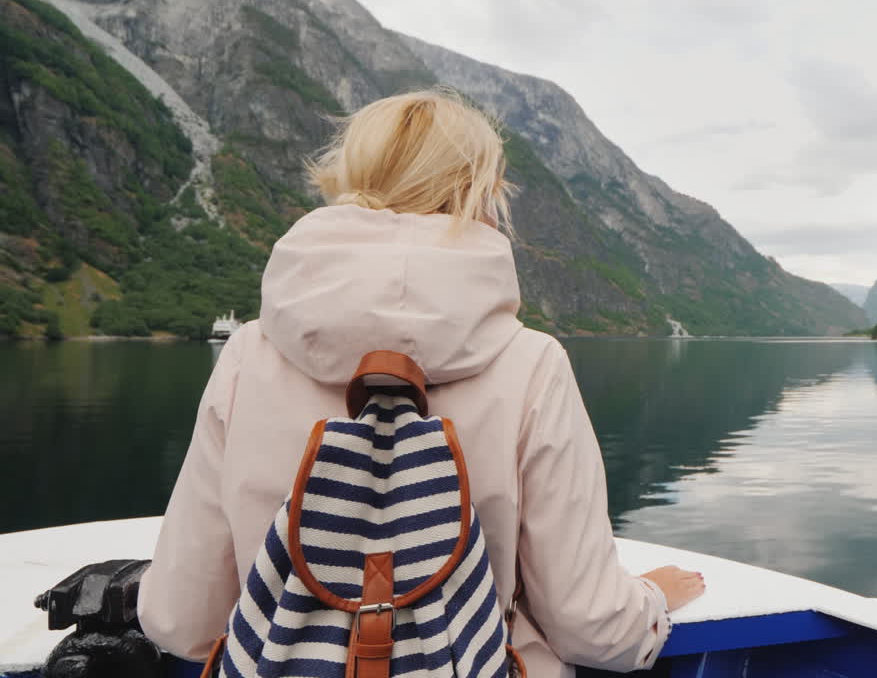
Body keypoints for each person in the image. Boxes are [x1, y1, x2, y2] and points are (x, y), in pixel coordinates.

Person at [137, 88, 705, 676]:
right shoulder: (533, 364)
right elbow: (591, 627)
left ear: (349, 179)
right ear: (480, 195)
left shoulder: (247, 356)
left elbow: (180, 619)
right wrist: (650, 599)